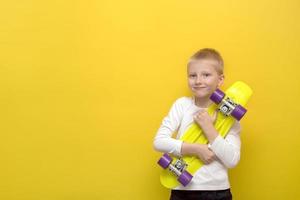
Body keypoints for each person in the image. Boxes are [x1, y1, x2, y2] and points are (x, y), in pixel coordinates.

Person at [153, 48, 242, 200]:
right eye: (192, 75)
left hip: (218, 192)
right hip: (182, 190)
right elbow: (159, 142)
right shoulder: (182, 105)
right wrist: (196, 149)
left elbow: (232, 159)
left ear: (220, 80)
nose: (198, 80)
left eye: (206, 75)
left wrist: (208, 127)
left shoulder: (229, 114)